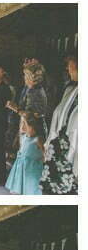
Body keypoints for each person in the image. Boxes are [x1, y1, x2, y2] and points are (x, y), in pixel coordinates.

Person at [41, 54, 78, 195]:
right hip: (57, 152)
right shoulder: (70, 90)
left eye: (70, 65)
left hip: (72, 158)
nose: (68, 69)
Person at [5, 112, 45, 194]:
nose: (22, 126)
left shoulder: (38, 140)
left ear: (33, 125)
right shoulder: (23, 137)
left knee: (30, 187)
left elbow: (45, 154)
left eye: (24, 123)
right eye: (21, 123)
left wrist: (40, 162)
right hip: (21, 166)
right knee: (20, 185)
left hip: (32, 168)